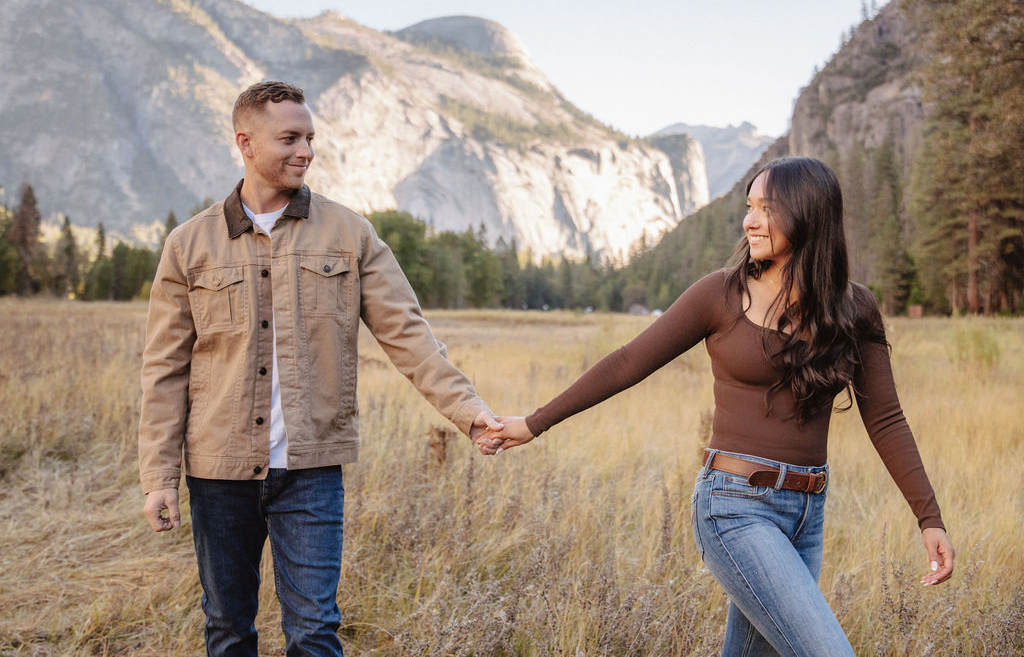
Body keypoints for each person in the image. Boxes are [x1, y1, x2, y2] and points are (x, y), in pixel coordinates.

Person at [485, 156, 954, 655]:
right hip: (734, 507)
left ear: (810, 214)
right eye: (748, 207)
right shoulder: (721, 295)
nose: (750, 220)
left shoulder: (855, 308)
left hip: (806, 513)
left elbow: (884, 418)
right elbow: (628, 363)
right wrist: (533, 424)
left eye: (766, 208)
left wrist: (929, 518)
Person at [139, 80, 502, 656]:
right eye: (289, 137)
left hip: (311, 471)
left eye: (309, 137)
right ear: (246, 143)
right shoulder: (190, 245)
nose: (305, 150)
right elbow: (165, 369)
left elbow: (408, 335)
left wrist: (469, 412)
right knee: (227, 629)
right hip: (218, 472)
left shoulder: (350, 234)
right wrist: (159, 477)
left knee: (314, 631)